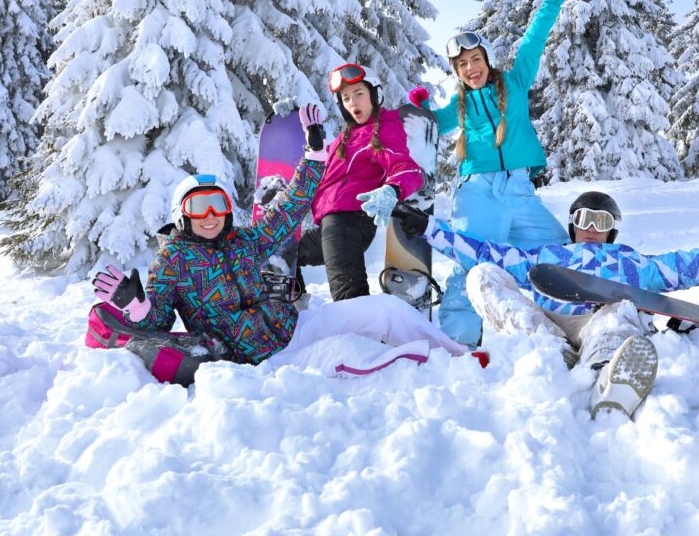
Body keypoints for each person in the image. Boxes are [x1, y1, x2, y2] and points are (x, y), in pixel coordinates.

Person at [85, 104, 472, 386]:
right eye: (198, 207)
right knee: (352, 356)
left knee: (386, 310)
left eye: (217, 205)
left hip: (296, 326)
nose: (210, 215)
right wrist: (136, 305)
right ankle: (424, 372)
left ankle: (461, 358)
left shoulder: (245, 242)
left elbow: (288, 209)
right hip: (263, 361)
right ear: (181, 214)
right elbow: (158, 325)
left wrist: (314, 158)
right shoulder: (173, 263)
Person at [393, 190, 699, 418]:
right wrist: (429, 228)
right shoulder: (546, 256)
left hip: (599, 321)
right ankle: (549, 356)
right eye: (584, 220)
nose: (591, 228)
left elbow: (694, 262)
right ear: (572, 225)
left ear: (612, 231)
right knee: (481, 274)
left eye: (602, 221)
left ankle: (606, 375)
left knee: (622, 311)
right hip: (546, 322)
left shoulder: (633, 263)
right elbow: (482, 251)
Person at [408, 0, 582, 346]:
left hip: (519, 191)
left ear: (486, 58)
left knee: (556, 255)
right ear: (457, 72)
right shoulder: (460, 105)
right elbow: (433, 125)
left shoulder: (515, 82)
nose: (471, 68)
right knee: (471, 264)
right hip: (478, 192)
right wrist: (421, 109)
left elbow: (533, 40)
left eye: (475, 59)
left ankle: (569, 325)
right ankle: (460, 344)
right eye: (462, 65)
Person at [292, 63, 425, 302]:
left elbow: (407, 168)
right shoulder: (344, 138)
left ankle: (362, 336)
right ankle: (295, 305)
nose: (353, 102)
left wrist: (392, 189)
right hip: (331, 225)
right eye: (346, 98)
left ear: (375, 94)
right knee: (286, 253)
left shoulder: (385, 127)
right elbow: (321, 174)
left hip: (351, 221)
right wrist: (307, 139)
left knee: (349, 300)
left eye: (359, 94)